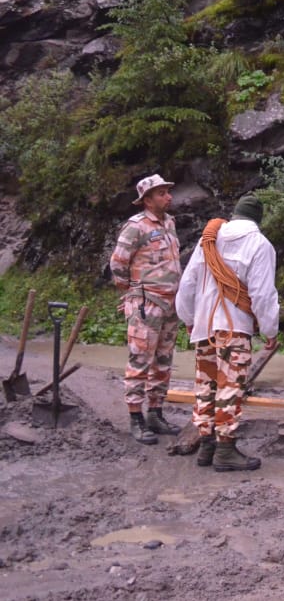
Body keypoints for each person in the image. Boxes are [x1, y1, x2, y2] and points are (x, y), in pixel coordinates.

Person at [175, 195, 280, 472]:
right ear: (258, 219)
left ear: (234, 215)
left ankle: (207, 445)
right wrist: (270, 329)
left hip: (204, 327)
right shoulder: (260, 245)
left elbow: (187, 284)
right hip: (234, 327)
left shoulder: (208, 240)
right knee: (230, 388)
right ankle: (225, 449)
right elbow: (263, 295)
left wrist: (187, 318)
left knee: (206, 386)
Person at [109, 173, 183, 445]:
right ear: (147, 200)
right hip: (146, 305)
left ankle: (155, 413)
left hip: (170, 303)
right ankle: (136, 418)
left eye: (167, 192)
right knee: (140, 361)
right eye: (162, 193)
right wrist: (133, 293)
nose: (168, 196)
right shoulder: (136, 227)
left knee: (163, 362)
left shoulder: (169, 223)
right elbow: (118, 265)